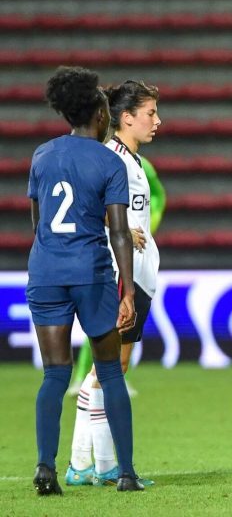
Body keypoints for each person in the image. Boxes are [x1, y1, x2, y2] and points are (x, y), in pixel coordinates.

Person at [26, 66, 143, 494]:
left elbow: (38, 223)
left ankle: (45, 467)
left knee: (54, 375)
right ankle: (126, 472)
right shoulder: (108, 161)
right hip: (91, 273)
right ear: (98, 114)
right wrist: (127, 289)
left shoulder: (42, 155)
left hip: (46, 271)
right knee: (110, 373)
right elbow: (118, 231)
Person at [65, 79, 161, 487]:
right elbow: (82, 204)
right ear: (126, 118)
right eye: (150, 113)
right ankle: (90, 464)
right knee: (109, 369)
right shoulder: (111, 158)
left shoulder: (131, 159)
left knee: (113, 368)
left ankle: (85, 465)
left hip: (138, 274)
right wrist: (113, 223)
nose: (157, 121)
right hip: (121, 276)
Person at [68, 153, 166, 396]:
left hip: (132, 253)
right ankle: (82, 379)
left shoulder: (144, 166)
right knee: (103, 328)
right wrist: (117, 227)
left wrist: (148, 225)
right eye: (151, 113)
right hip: (106, 252)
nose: (156, 122)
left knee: (118, 329)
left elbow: (158, 196)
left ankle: (109, 379)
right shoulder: (107, 161)